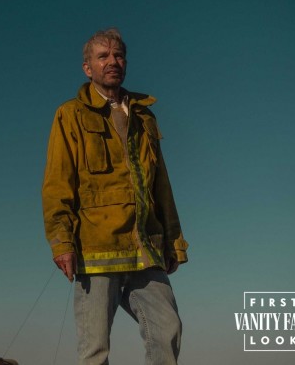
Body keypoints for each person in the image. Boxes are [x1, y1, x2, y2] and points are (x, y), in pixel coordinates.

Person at [42, 28, 189, 365]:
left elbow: (161, 185)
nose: (112, 62)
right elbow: (57, 183)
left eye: (118, 55)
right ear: (87, 68)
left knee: (168, 328)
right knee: (95, 349)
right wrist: (61, 242)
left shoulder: (144, 116)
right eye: (103, 56)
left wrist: (174, 242)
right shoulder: (70, 115)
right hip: (96, 248)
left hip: (145, 246)